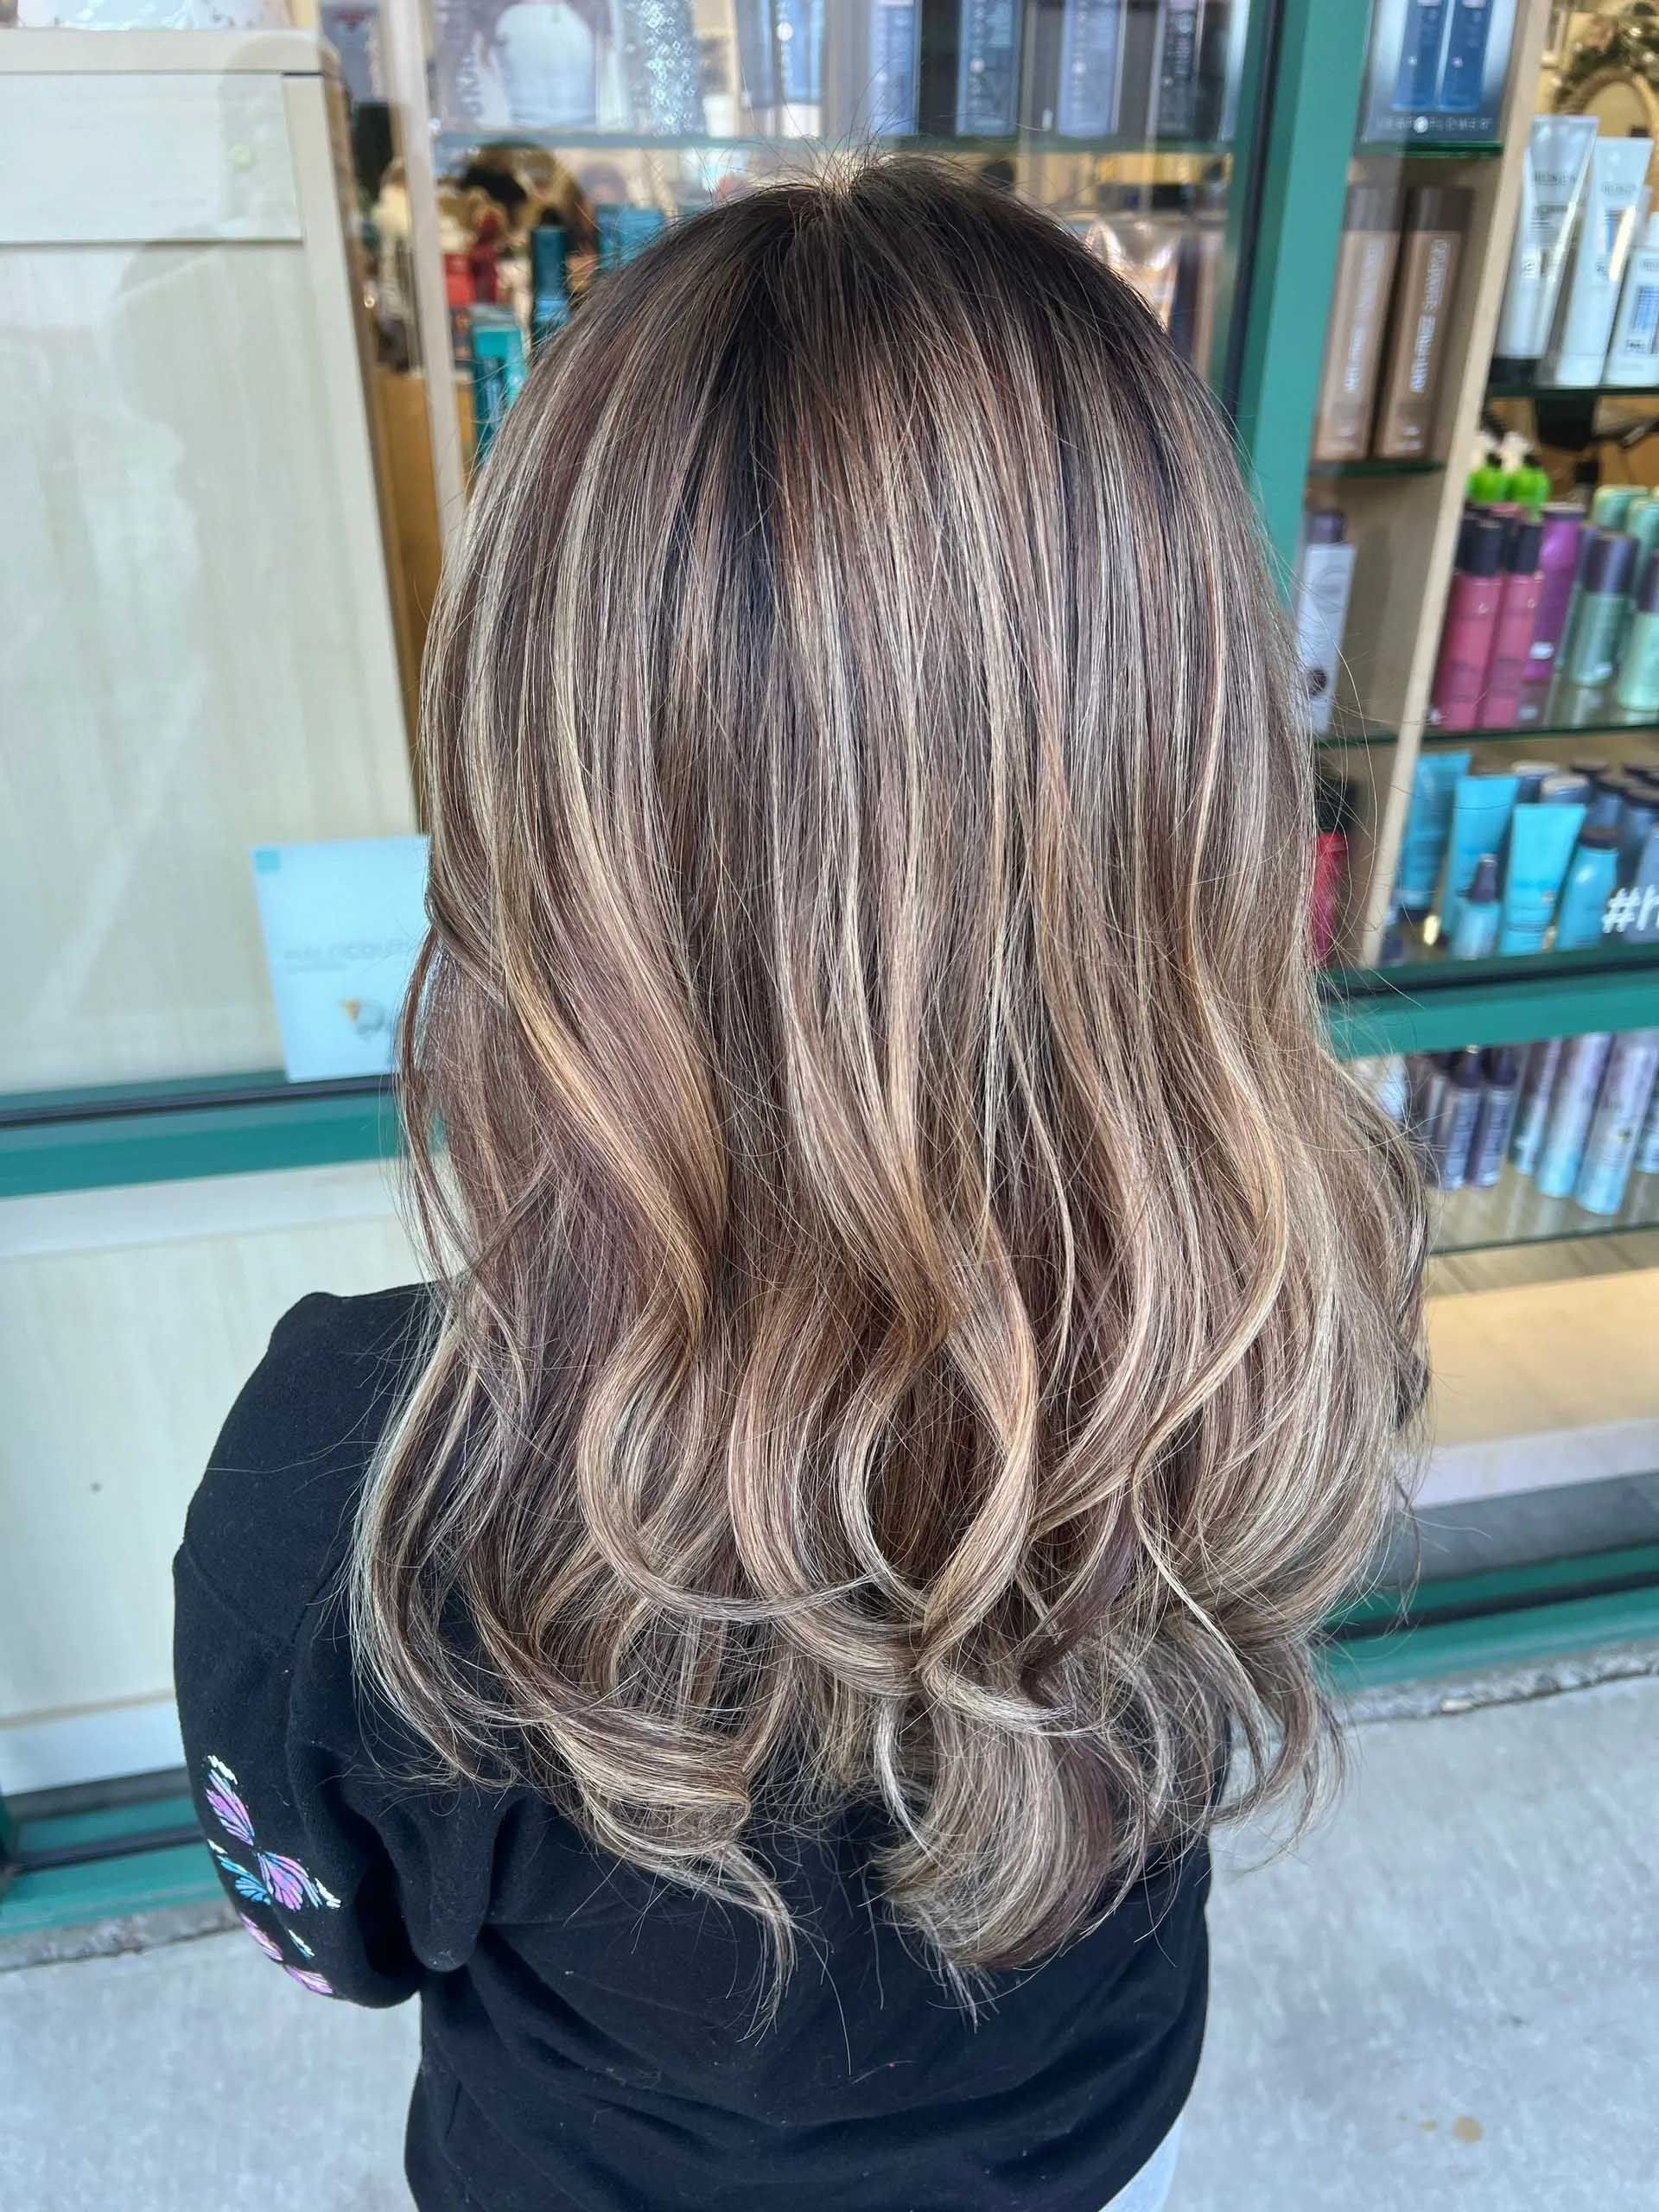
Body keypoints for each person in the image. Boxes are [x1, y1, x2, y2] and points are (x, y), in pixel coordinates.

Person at [175, 159, 1426, 2212]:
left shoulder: (352, 1495)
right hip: (1102, 2143)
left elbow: (334, 1936)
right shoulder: (1287, 1324)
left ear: (531, 798)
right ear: (1193, 782)